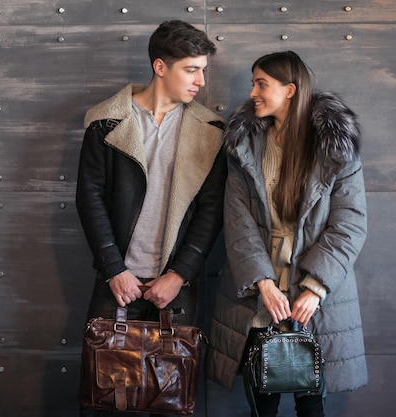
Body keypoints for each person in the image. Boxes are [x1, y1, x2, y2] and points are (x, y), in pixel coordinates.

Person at [76, 20, 227, 417]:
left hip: (175, 286)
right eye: (190, 70)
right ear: (160, 67)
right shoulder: (106, 124)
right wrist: (113, 269)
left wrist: (180, 274)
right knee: (106, 401)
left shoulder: (210, 131)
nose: (200, 81)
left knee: (170, 404)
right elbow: (89, 199)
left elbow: (212, 210)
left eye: (203, 71)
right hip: (116, 284)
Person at [205, 51, 368, 417]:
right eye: (253, 83)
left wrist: (315, 287)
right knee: (262, 401)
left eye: (261, 83)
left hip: (316, 296)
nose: (253, 92)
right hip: (260, 289)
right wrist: (262, 281)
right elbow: (238, 219)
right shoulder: (245, 144)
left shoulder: (334, 146)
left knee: (312, 404)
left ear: (290, 90)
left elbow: (350, 223)